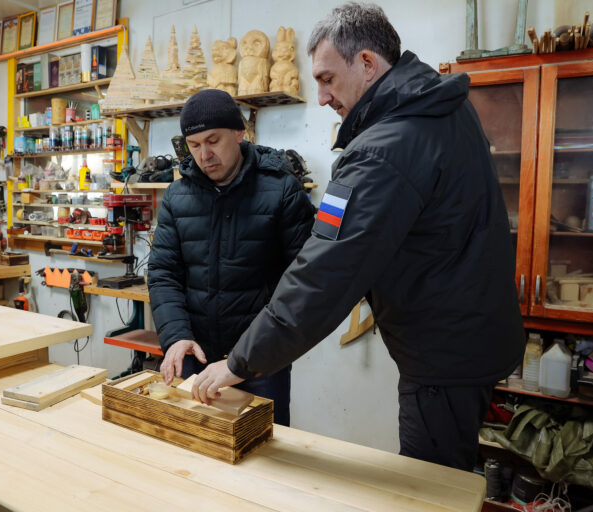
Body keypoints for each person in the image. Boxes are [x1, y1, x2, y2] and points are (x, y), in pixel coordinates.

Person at [191, 2, 525, 471]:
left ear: (367, 63)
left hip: (443, 359)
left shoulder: (383, 151)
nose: (322, 97)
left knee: (430, 488)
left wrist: (239, 362)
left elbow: (323, 274)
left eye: (327, 78)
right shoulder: (441, 108)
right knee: (452, 475)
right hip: (472, 335)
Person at [147, 88, 315, 427]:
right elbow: (163, 273)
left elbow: (303, 282)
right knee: (196, 443)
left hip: (260, 362)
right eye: (194, 145)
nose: (204, 154)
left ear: (240, 133)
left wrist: (253, 354)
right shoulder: (177, 196)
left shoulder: (281, 190)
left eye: (213, 141)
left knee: (262, 445)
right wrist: (176, 335)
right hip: (195, 355)